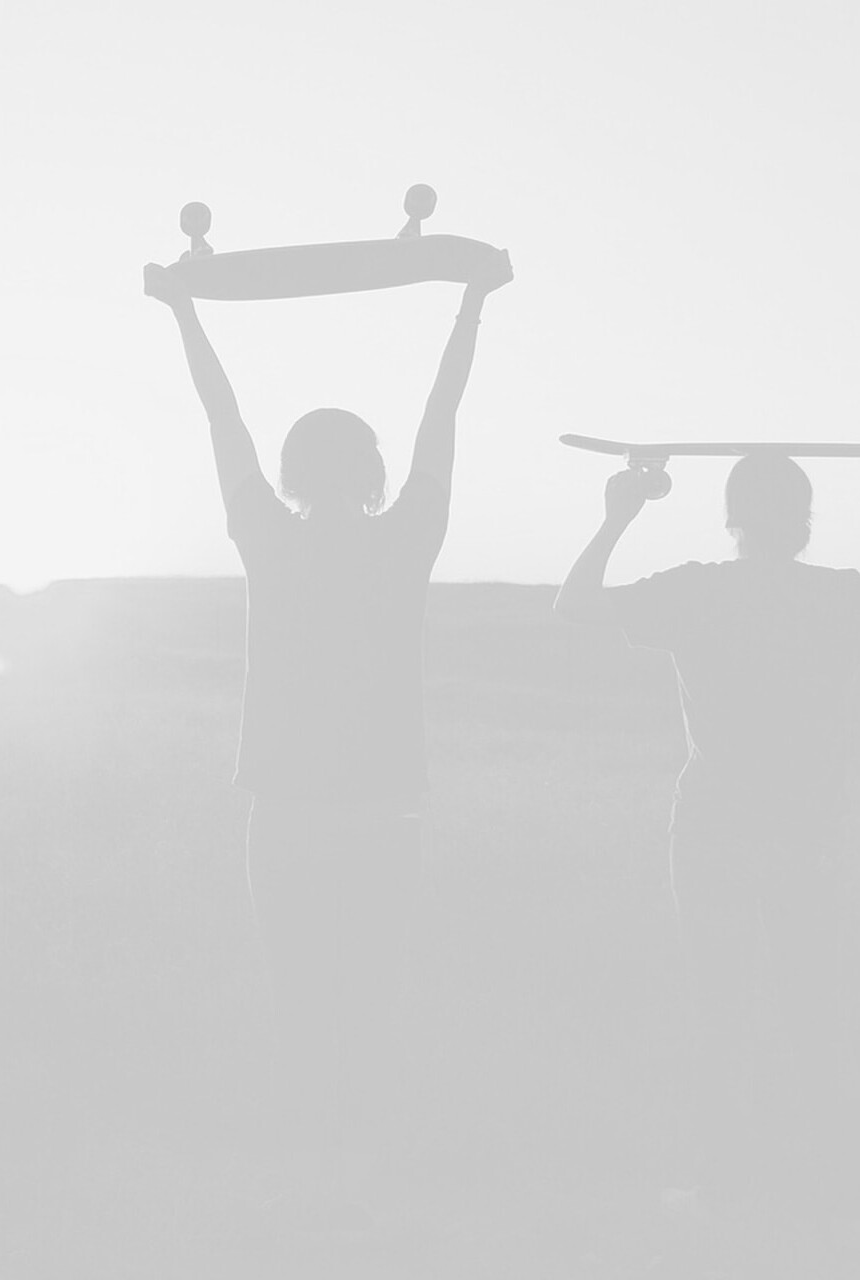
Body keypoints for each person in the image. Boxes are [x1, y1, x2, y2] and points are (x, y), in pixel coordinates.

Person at [143, 250, 513, 1224]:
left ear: (292, 473)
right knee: (371, 995)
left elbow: (222, 420)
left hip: (288, 812)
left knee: (300, 994)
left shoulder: (269, 537)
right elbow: (442, 416)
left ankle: (312, 1185)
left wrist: (184, 312)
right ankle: (367, 1184)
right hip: (384, 811)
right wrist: (470, 303)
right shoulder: (408, 536)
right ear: (374, 472)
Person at [554, 457, 860, 1246]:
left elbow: (574, 604)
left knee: (722, 1008)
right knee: (817, 1011)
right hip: (808, 838)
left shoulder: (697, 591)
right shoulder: (842, 597)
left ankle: (725, 1190)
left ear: (732, 516)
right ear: (805, 518)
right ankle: (829, 1191)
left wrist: (620, 512)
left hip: (716, 833)